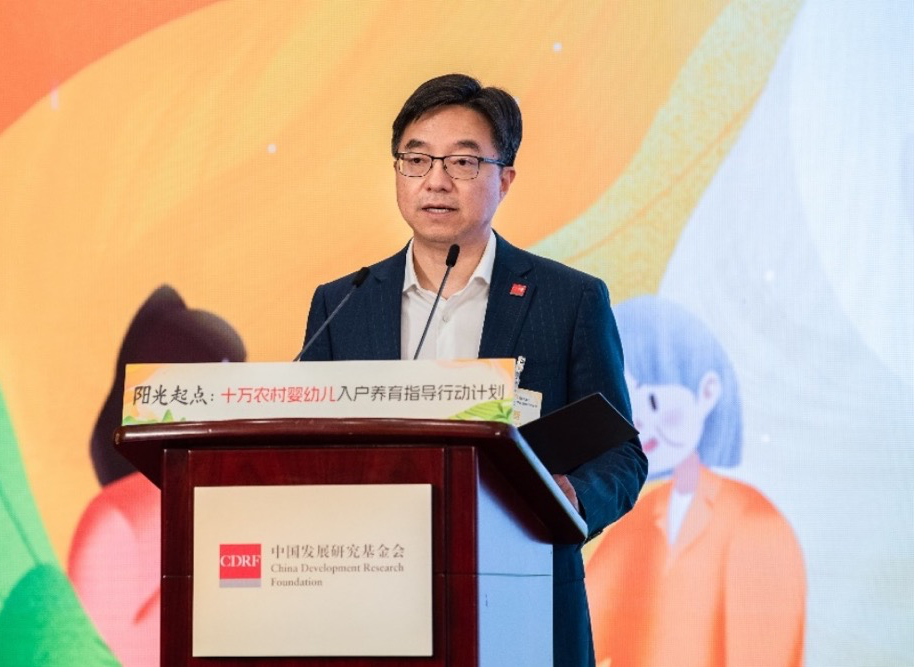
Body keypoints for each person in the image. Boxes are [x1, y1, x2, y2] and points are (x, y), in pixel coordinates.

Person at [299, 73, 647, 667]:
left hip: (524, 597)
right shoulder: (344, 304)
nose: (435, 181)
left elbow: (622, 455)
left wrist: (571, 497)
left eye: (462, 162)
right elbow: (304, 447)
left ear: (504, 178)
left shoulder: (568, 300)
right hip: (371, 600)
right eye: (416, 160)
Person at [586, 295, 806, 667]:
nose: (643, 426)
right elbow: (584, 625)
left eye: (654, 403)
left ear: (707, 392)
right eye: (630, 409)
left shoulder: (756, 522)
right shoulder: (636, 519)